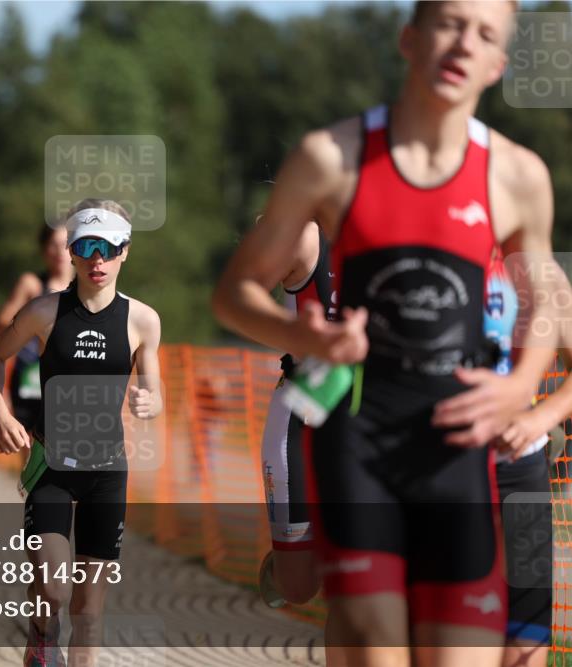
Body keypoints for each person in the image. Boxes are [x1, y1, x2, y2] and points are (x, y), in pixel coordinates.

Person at [211, 2, 557, 663]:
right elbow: (234, 293)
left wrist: (519, 387)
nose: (464, 43)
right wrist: (309, 338)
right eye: (451, 22)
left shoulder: (519, 176)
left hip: (458, 448)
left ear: (498, 64)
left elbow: (545, 306)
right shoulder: (329, 158)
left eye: (485, 34)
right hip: (360, 437)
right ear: (410, 37)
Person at [0, 199, 162, 667]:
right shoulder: (44, 311)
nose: (97, 259)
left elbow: (155, 389)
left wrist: (151, 401)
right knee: (55, 587)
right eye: (86, 247)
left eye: (108, 247)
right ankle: (42, 633)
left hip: (107, 472)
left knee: (90, 610)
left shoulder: (143, 320)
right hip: (52, 466)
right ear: (72, 252)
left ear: (125, 250)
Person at [215, 219, 336, 610]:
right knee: (298, 587)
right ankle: (288, 561)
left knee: (360, 584)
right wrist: (298, 335)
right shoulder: (307, 233)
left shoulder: (406, 224)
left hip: (375, 416)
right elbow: (234, 302)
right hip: (304, 410)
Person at [482, 246, 555, 667]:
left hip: (520, 465)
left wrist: (538, 419)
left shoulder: (533, 269)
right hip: (445, 468)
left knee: (527, 637)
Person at [0, 224, 75, 449]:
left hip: (67, 381)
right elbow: (0, 324)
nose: (60, 252)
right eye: (53, 245)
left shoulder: (87, 287)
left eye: (65, 245)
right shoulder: (32, 284)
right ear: (43, 250)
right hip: (31, 376)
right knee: (29, 449)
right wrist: (33, 324)